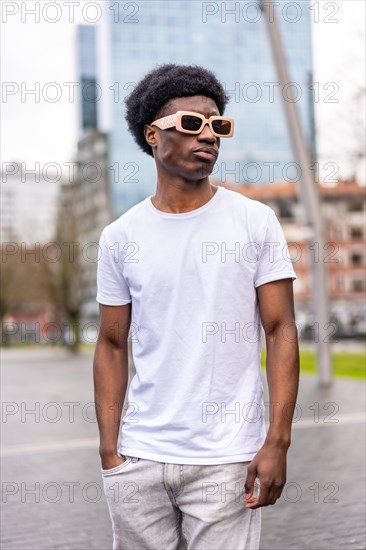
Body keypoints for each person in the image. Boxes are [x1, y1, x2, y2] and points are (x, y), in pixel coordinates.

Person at [93, 64, 299, 550]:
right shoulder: (120, 237)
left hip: (226, 459)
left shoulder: (255, 222)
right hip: (138, 457)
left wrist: (277, 441)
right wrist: (109, 450)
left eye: (218, 125)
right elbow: (110, 343)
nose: (209, 134)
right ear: (152, 135)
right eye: (191, 123)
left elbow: (281, 330)